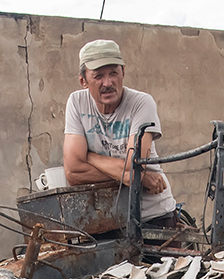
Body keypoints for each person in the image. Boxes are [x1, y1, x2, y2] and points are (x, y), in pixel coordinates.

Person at [63, 39, 177, 226]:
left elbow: (135, 168)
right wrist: (133, 176)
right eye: (98, 76)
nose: (108, 83)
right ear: (83, 80)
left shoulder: (141, 103)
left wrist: (90, 157)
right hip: (107, 222)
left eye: (113, 73)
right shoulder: (77, 102)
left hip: (153, 217)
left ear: (123, 72)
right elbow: (74, 172)